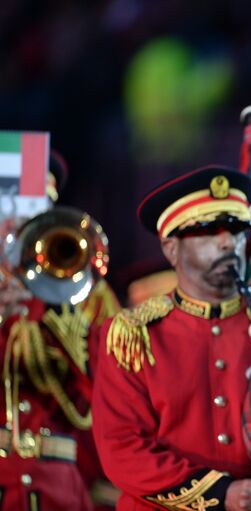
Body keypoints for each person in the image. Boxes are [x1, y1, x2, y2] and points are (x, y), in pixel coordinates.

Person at [92, 166, 251, 511]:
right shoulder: (134, 334)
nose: (228, 242)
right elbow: (122, 449)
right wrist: (220, 492)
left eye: (237, 229)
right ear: (170, 248)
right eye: (208, 230)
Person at [0, 150, 120, 511]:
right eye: (7, 212)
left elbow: (115, 393)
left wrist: (63, 316)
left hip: (57, 488)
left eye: (31, 213)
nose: (16, 226)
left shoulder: (86, 293)